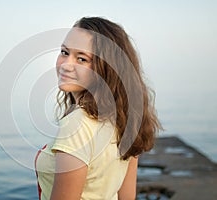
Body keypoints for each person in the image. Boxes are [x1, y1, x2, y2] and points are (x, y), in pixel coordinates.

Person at [35, 16, 161, 200]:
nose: (66, 65)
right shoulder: (125, 119)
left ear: (106, 68)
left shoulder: (76, 126)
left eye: (82, 58)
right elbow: (126, 197)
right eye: (64, 52)